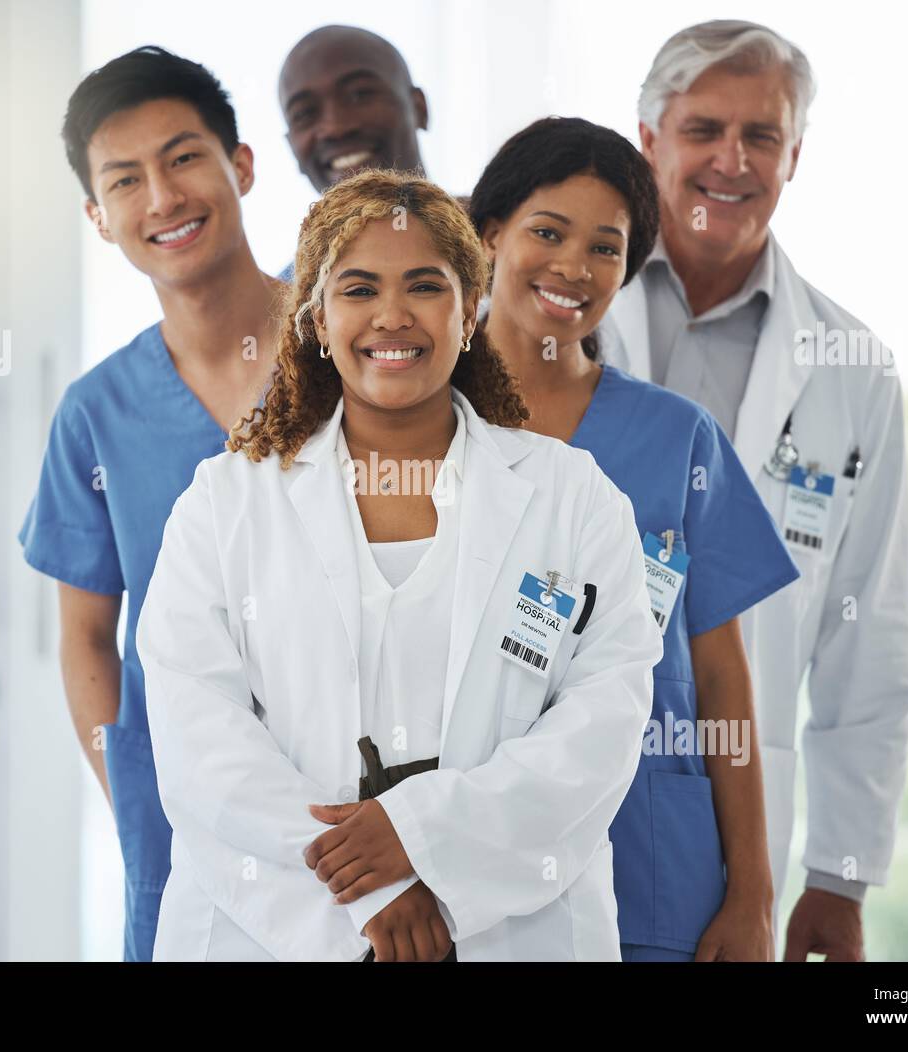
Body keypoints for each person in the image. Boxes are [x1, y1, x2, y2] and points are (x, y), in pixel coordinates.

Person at [137, 169, 663, 961]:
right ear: (316, 318)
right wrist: (375, 891)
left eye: (425, 286)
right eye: (357, 289)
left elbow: (604, 724)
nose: (392, 316)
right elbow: (197, 736)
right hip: (275, 929)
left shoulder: (573, 498)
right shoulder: (224, 505)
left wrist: (425, 843)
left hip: (510, 933)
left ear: (469, 311)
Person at [601, 20, 908, 961]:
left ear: (795, 156)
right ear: (649, 140)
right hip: (547, 779)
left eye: (762, 136)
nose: (731, 161)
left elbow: (871, 640)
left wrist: (842, 873)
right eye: (703, 130)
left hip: (740, 818)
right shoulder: (543, 323)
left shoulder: (854, 370)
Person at [472, 116, 799, 961]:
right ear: (487, 235)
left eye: (606, 248)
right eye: (547, 232)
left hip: (653, 860)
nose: (574, 268)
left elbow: (723, 676)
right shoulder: (416, 429)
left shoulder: (678, 441)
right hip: (467, 856)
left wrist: (755, 893)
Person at [17, 46, 283, 961]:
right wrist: (132, 785)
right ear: (98, 216)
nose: (163, 198)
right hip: (180, 813)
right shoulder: (97, 413)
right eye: (125, 180)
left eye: (183, 158)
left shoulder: (353, 355)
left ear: (240, 165)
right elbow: (88, 636)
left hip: (360, 791)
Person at [274, 25, 433, 280]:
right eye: (305, 113)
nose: (335, 128)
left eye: (359, 94)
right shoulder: (288, 306)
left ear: (419, 108)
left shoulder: (498, 244)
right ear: (291, 147)